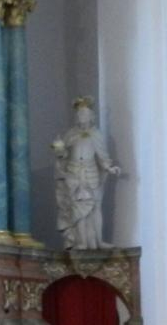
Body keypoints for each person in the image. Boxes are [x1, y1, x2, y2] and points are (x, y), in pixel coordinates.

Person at [51, 99, 120, 251]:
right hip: (74, 174)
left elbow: (102, 156)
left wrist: (109, 168)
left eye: (84, 114)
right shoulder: (71, 134)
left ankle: (99, 241)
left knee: (96, 208)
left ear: (91, 117)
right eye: (79, 114)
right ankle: (81, 242)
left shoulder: (96, 134)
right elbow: (64, 155)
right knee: (78, 210)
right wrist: (60, 150)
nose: (81, 117)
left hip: (91, 173)